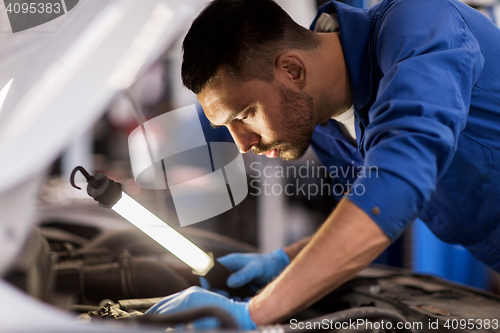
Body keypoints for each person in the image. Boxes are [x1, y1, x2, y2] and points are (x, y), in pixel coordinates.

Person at [146, 0, 500, 329]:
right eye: (228, 127)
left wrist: (253, 314)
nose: (243, 143)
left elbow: (395, 188)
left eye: (245, 115)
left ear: (292, 69)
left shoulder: (421, 27)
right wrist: (287, 261)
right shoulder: (329, 125)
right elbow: (365, 216)